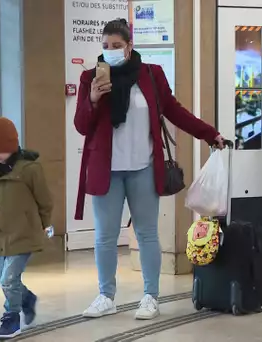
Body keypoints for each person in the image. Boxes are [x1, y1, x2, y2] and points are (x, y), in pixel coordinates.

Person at [74, 19, 226, 321]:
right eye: (105, 47)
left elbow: (174, 111)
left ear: (130, 46)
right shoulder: (90, 78)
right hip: (107, 169)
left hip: (143, 166)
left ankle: (150, 296)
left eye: (116, 46)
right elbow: (81, 125)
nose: (111, 52)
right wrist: (92, 98)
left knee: (147, 234)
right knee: (105, 236)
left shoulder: (151, 75)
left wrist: (209, 133)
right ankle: (106, 295)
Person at [0, 117, 54, 338]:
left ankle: (11, 318)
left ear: (12, 146)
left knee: (9, 279)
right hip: (0, 236)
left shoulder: (29, 169)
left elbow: (45, 201)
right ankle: (27, 299)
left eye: (0, 151)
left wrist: (44, 226)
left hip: (24, 234)